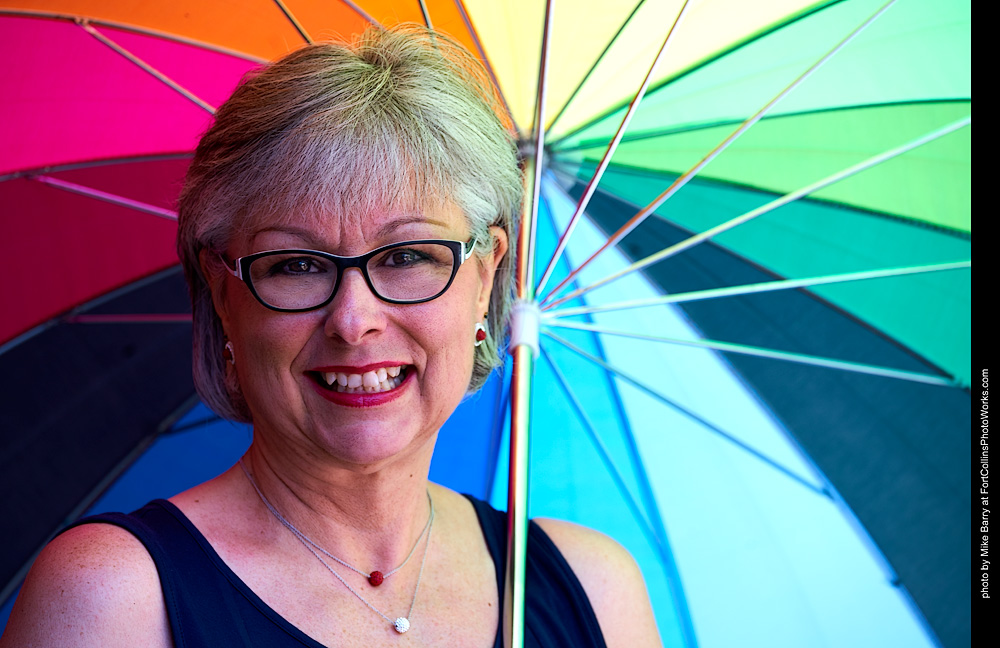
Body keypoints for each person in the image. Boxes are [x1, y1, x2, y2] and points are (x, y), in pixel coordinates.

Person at [1, 26, 660, 648]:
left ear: (486, 276)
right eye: (296, 265)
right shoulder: (112, 598)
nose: (353, 320)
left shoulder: (595, 593)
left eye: (407, 256)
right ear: (224, 295)